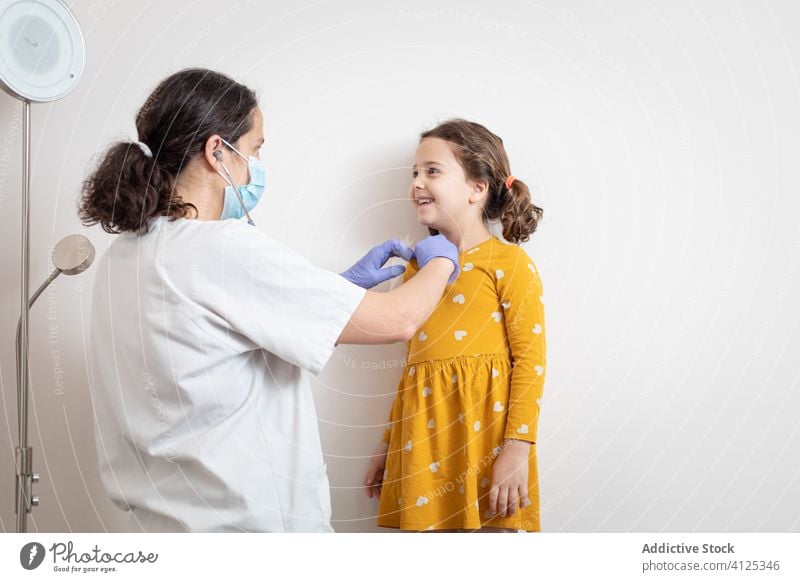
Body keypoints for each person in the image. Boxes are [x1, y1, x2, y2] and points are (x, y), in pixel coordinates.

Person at [78, 68, 461, 532]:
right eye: (254, 149)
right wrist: (443, 256)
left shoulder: (125, 256)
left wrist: (339, 291)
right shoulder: (222, 249)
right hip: (248, 529)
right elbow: (398, 320)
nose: (255, 166)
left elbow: (217, 348)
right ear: (217, 151)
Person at [364, 119, 546, 532]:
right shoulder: (418, 269)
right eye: (414, 172)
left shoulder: (509, 263)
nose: (417, 182)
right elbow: (412, 365)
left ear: (477, 188)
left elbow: (530, 362)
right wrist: (389, 442)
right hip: (421, 441)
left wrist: (517, 448)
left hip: (485, 440)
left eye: (432, 170)